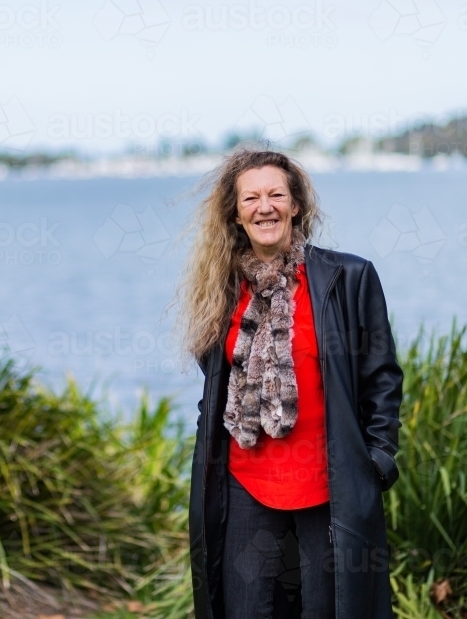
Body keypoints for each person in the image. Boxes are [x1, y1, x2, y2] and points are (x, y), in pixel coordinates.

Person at [176, 148, 404, 619]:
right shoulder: (220, 291)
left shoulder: (349, 278)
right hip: (246, 485)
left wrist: (378, 460)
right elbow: (215, 389)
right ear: (236, 214)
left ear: (296, 204)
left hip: (328, 486)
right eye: (251, 198)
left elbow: (381, 377)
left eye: (277, 194)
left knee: (327, 610)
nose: (265, 207)